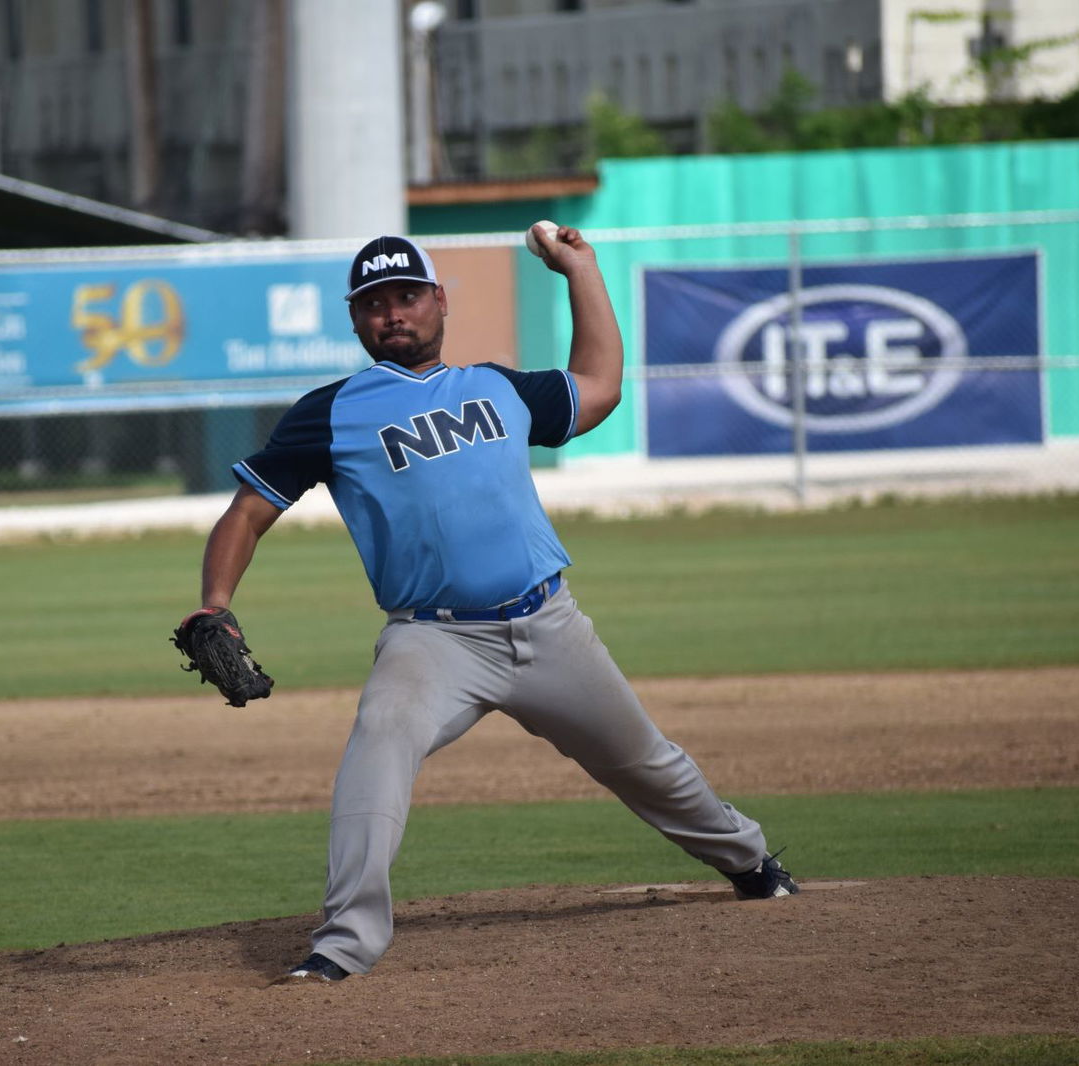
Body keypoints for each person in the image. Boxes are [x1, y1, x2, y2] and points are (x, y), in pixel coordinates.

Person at [193, 230, 797, 984]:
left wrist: (582, 269)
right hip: (432, 643)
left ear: (440, 301)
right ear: (355, 322)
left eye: (407, 296)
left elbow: (600, 386)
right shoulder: (332, 413)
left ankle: (751, 863)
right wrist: (214, 603)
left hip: (550, 626)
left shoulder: (499, 387)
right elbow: (248, 512)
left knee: (646, 763)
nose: (393, 314)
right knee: (379, 742)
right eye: (373, 305)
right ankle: (342, 946)